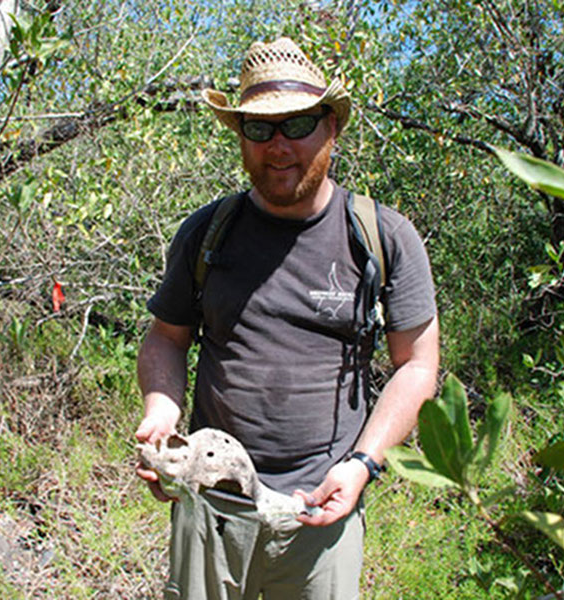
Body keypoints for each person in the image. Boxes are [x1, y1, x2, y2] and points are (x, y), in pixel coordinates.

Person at [135, 37, 439, 600]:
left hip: (322, 508)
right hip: (212, 506)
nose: (278, 146)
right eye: (259, 128)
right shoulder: (206, 232)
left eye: (297, 124)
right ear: (240, 137)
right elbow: (166, 338)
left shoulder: (382, 237)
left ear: (332, 128)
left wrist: (363, 465)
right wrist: (162, 411)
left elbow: (417, 367)